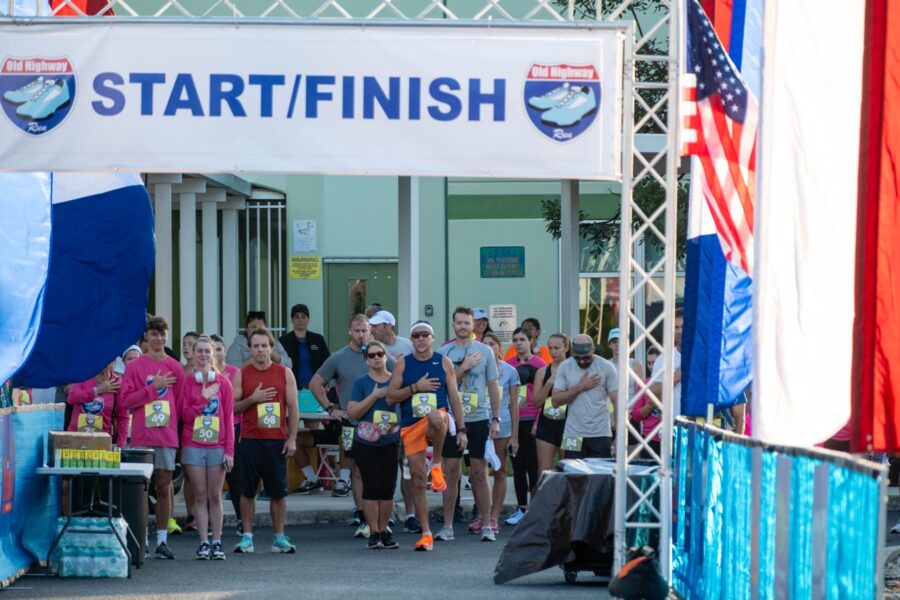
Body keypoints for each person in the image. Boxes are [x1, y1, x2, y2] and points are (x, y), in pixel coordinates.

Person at [387, 320, 467, 552]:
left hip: (437, 421)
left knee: (435, 416)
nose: (421, 339)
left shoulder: (443, 362)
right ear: (411, 340)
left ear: (433, 338)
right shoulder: (403, 364)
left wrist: (462, 429)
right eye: (416, 336)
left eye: (425, 335)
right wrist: (415, 388)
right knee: (418, 480)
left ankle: (437, 463)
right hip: (411, 424)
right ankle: (426, 533)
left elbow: (455, 397)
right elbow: (391, 396)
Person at [308, 314, 378, 536]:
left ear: (371, 331)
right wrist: (331, 409)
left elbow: (395, 380)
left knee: (377, 469)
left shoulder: (379, 355)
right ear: (350, 331)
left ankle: (380, 511)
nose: (361, 335)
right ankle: (361, 512)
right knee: (356, 469)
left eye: (365, 330)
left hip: (378, 423)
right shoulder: (339, 357)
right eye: (357, 331)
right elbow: (315, 383)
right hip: (351, 422)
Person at [231, 327, 299, 554]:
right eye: (255, 346)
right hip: (250, 440)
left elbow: (293, 408)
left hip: (276, 440)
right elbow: (232, 407)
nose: (260, 350)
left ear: (271, 347)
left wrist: (292, 439)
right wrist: (253, 399)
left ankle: (279, 537)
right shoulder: (242, 373)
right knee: (247, 491)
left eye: (264, 346)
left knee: (278, 492)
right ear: (250, 349)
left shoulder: (284, 373)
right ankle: (247, 537)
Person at [120, 315, 183, 559]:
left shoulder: (175, 367)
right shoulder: (135, 367)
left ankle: (162, 541)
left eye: (162, 333)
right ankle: (141, 539)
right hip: (142, 436)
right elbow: (125, 402)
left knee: (164, 487)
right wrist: (152, 388)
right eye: (154, 333)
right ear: (146, 336)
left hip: (166, 436)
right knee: (142, 489)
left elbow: (178, 405)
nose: (158, 338)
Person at [437, 307, 501, 543]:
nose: (463, 326)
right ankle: (447, 526)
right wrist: (462, 367)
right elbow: (443, 385)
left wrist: (496, 418)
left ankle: (486, 525)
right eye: (459, 323)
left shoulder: (485, 351)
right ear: (453, 325)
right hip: (452, 420)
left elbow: (493, 386)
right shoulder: (444, 352)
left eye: (467, 323)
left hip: (479, 419)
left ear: (474, 325)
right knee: (451, 473)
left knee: (479, 473)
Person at [178, 335, 234, 560]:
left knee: (215, 495)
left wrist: (230, 450)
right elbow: (184, 416)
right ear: (192, 354)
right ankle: (203, 542)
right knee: (199, 495)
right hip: (193, 444)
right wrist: (202, 399)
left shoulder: (224, 383)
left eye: (206, 351)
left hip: (217, 445)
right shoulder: (186, 382)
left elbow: (229, 418)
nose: (202, 355)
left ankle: (217, 541)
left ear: (213, 355)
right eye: (198, 351)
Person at [347, 340, 400, 550]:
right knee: (370, 489)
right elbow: (353, 412)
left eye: (380, 354)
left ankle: (384, 530)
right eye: (372, 355)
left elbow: (405, 405)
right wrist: (375, 395)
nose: (377, 358)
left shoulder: (396, 381)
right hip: (366, 442)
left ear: (386, 356)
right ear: (366, 360)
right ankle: (374, 532)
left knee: (387, 490)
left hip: (390, 441)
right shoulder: (361, 383)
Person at [369, 309, 418, 532]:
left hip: (406, 413)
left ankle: (410, 514)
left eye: (377, 325)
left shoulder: (408, 345)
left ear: (389, 325)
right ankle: (386, 515)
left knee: (406, 466)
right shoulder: (371, 348)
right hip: (381, 415)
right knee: (384, 465)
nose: (373, 329)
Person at [278, 304, 332, 495]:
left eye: (304, 316)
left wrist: (323, 386)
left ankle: (316, 476)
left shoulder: (317, 339)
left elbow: (328, 363)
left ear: (308, 319)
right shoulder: (283, 340)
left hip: (314, 392)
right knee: (287, 431)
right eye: (297, 317)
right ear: (292, 319)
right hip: (292, 391)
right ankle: (304, 475)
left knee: (313, 434)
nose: (300, 320)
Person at [504, 327, 546, 526]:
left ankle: (536, 508)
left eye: (522, 339)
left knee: (533, 466)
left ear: (531, 341)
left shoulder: (540, 365)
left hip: (532, 419)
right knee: (517, 466)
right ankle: (521, 508)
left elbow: (545, 397)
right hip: (513, 421)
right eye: (515, 339)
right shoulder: (508, 365)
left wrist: (538, 422)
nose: (518, 343)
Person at [551, 334, 618, 459]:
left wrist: (619, 436)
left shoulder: (606, 367)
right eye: (578, 358)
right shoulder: (565, 367)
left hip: (600, 433)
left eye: (586, 357)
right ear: (572, 352)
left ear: (593, 350)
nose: (582, 361)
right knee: (574, 476)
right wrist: (579, 387)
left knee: (599, 476)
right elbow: (555, 401)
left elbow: (617, 401)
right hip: (573, 434)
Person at [482, 332, 518, 535]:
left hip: (501, 425)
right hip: (478, 422)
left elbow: (514, 404)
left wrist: (515, 436)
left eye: (492, 344)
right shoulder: (476, 368)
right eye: (484, 344)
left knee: (499, 470)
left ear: (498, 347)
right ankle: (483, 515)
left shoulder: (510, 371)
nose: (488, 347)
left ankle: (494, 516)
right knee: (479, 472)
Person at [212, 333, 244, 532]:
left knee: (235, 476)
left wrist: (224, 386)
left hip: (233, 426)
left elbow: (235, 401)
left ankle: (242, 520)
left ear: (224, 350)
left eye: (218, 349)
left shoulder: (234, 372)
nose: (215, 353)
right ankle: (211, 522)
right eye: (212, 349)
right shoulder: (202, 374)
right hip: (209, 429)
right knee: (210, 478)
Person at [532, 333, 572, 478]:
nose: (553, 352)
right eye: (550, 348)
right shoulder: (542, 371)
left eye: (557, 348)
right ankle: (544, 500)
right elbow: (536, 402)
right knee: (543, 471)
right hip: (547, 425)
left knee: (570, 469)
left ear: (566, 347)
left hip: (570, 426)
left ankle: (569, 501)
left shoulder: (574, 370)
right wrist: (549, 383)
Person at [67, 360, 128, 447]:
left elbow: (123, 416)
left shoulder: (117, 383)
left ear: (114, 363)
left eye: (109, 360)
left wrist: (121, 445)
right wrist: (98, 390)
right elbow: (72, 398)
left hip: (102, 440)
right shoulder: (83, 375)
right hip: (77, 437)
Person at [225, 311, 292, 369]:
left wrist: (271, 352)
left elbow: (289, 365)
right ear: (247, 329)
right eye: (253, 327)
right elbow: (231, 372)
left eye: (261, 328)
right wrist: (254, 357)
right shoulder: (236, 346)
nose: (257, 330)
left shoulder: (275, 343)